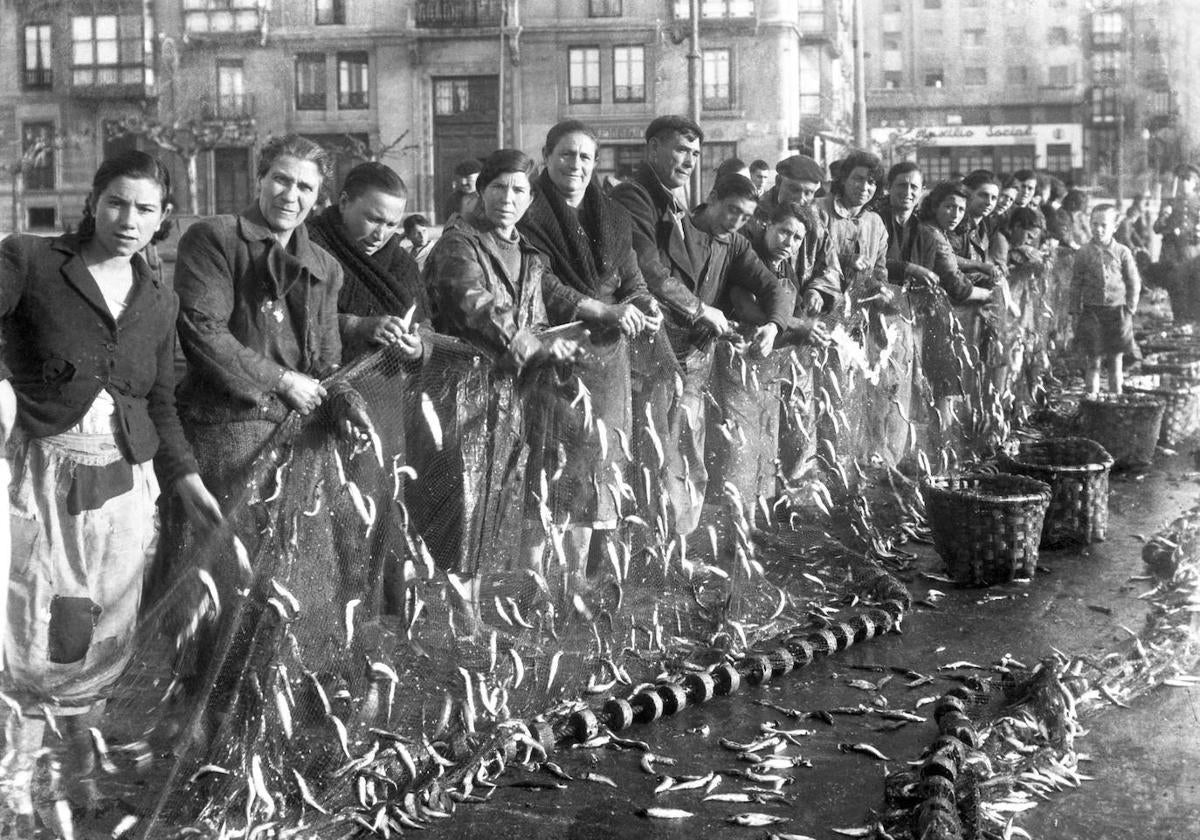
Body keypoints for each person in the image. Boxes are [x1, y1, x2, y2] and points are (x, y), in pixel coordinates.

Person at [0, 151, 222, 823]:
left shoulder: (159, 298)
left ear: (163, 219)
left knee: (104, 623)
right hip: (43, 471)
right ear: (94, 202)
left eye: (146, 209)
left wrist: (184, 478)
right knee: (41, 617)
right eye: (118, 203)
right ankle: (13, 776)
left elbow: (159, 401)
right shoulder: (32, 262)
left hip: (124, 480)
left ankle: (75, 768)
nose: (130, 220)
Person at [417, 149, 577, 628]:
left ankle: (469, 615)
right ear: (481, 191)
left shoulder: (530, 255)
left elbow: (538, 317)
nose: (508, 199)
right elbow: (475, 306)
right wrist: (535, 346)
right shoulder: (457, 247)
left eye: (519, 190)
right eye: (499, 188)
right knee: (460, 505)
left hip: (508, 396)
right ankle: (455, 621)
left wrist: (554, 345)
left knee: (494, 504)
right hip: (456, 393)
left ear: (530, 198)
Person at [516, 119, 662, 591]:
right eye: (565, 154)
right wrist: (601, 307)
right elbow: (539, 280)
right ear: (546, 155)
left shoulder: (614, 216)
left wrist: (645, 305)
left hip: (607, 364)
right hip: (555, 357)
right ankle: (535, 583)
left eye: (584, 157)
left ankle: (575, 579)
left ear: (595, 163)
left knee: (596, 467)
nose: (574, 165)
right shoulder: (527, 210)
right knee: (550, 466)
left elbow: (631, 278)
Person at [717, 199, 830, 507]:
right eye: (784, 232)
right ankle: (739, 526)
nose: (789, 243)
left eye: (797, 239)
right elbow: (745, 307)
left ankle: (757, 520)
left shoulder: (785, 266)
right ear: (767, 224)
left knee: (766, 440)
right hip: (739, 358)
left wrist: (807, 331)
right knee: (741, 443)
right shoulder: (747, 255)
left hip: (769, 363)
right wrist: (799, 325)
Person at [307, 161, 429, 362]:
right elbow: (292, 317)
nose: (380, 235)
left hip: (390, 384)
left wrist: (418, 347)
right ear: (345, 202)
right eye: (373, 220)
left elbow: (425, 324)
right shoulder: (308, 244)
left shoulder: (403, 264)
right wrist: (357, 326)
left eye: (391, 224)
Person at [906, 182, 996, 453]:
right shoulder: (932, 234)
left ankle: (936, 448)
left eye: (960, 209)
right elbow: (957, 286)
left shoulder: (934, 231)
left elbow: (952, 259)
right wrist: (990, 296)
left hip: (928, 317)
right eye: (949, 207)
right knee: (944, 384)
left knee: (938, 384)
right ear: (935, 206)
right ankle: (941, 449)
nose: (955, 214)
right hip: (932, 317)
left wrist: (979, 265)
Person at [744, 154, 842, 316]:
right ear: (778, 183)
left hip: (798, 310)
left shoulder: (816, 222)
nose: (801, 199)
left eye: (808, 193)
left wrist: (816, 290)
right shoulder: (752, 215)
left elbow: (830, 265)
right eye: (794, 189)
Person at [1071, 204, 1141, 398]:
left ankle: (1115, 399)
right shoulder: (1083, 252)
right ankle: (1091, 400)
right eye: (1094, 224)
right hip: (1092, 313)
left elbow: (1133, 282)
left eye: (1104, 225)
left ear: (1114, 227)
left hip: (1117, 312)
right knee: (1093, 360)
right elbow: (1076, 283)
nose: (1098, 229)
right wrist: (1074, 311)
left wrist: (1130, 308)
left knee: (1115, 361)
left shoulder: (1123, 252)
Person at [1154, 163, 1200, 322]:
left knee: (1194, 288)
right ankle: (1179, 321)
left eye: (1188, 179)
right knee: (1176, 287)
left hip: (1192, 253)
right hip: (1174, 254)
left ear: (1196, 182)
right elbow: (1157, 228)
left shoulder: (1199, 202)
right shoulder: (1171, 202)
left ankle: (1193, 323)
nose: (1184, 183)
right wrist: (1164, 217)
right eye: (1182, 179)